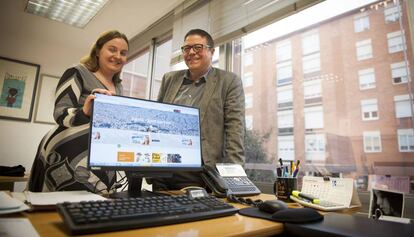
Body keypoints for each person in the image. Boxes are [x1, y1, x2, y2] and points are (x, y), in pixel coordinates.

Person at [28, 30, 129, 193]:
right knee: (59, 209)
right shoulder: (78, 72)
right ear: (97, 51)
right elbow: (60, 113)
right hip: (68, 152)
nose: (118, 56)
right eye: (112, 49)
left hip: (100, 154)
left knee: (101, 209)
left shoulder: (119, 87)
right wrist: (84, 112)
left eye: (123, 53)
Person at [151, 29, 246, 190]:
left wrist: (232, 182)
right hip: (165, 171)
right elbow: (157, 122)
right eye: (186, 48)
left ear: (211, 51)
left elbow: (235, 131)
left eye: (197, 47)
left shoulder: (229, 82)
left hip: (203, 176)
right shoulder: (169, 79)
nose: (191, 53)